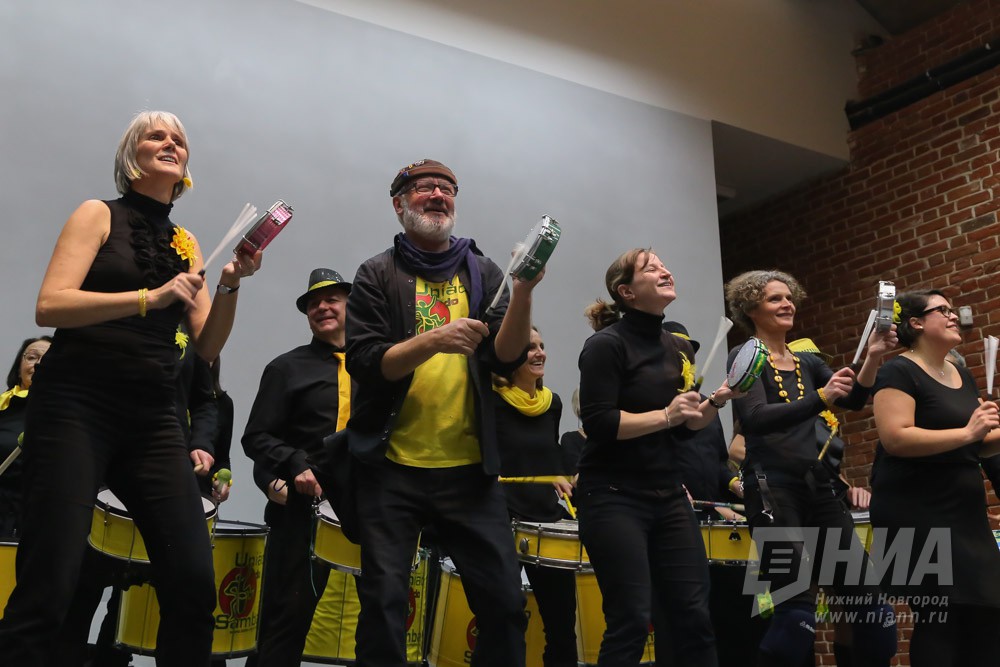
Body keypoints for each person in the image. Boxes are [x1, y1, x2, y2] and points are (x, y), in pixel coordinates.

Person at [0, 110, 261, 667]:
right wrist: (150, 299)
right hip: (76, 404)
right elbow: (51, 305)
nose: (171, 143)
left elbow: (207, 345)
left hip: (154, 418)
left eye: (179, 139)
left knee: (193, 581)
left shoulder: (187, 243)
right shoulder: (97, 214)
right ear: (130, 154)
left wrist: (230, 284)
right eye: (156, 135)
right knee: (51, 577)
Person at [325, 158, 540, 667]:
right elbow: (367, 362)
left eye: (447, 188)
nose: (439, 195)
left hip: (470, 472)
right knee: (384, 608)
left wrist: (524, 290)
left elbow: (506, 357)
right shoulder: (377, 273)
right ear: (399, 204)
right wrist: (435, 339)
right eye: (425, 188)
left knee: (505, 606)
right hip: (391, 469)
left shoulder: (483, 270)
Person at [724, 269, 897, 667]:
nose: (787, 304)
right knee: (797, 613)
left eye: (789, 297)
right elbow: (755, 418)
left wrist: (872, 356)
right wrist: (821, 396)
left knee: (872, 608)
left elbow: (853, 399)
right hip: (772, 489)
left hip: (819, 489)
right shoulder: (745, 356)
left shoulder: (806, 361)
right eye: (775, 299)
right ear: (751, 309)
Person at [576, 248, 739, 667]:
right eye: (650, 268)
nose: (665, 270)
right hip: (612, 496)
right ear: (626, 292)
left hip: (668, 495)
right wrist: (666, 415)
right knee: (631, 619)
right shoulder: (605, 345)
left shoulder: (679, 347)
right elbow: (600, 423)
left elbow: (685, 429)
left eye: (664, 265)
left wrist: (718, 400)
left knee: (694, 616)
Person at [870, 289, 1000, 666]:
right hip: (916, 512)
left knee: (987, 610)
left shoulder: (961, 373)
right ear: (916, 323)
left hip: (964, 513)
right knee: (941, 615)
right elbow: (896, 438)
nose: (953, 315)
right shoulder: (898, 370)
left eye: (952, 309)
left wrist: (980, 434)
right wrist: (969, 432)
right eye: (942, 310)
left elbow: (980, 445)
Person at [242, 267, 353, 666]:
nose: (322, 307)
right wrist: (295, 463)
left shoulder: (377, 366)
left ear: (351, 306)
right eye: (313, 304)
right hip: (302, 513)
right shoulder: (285, 368)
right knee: (285, 621)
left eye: (332, 299)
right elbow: (256, 437)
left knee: (382, 619)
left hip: (370, 509)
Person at [492, 326, 577, 667]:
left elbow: (549, 453)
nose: (540, 353)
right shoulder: (491, 402)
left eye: (542, 346)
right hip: (503, 519)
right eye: (530, 347)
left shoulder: (552, 403)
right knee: (504, 617)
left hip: (545, 518)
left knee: (561, 624)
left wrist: (562, 475)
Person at [0, 336, 52, 539]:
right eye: (32, 357)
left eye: (47, 359)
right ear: (19, 368)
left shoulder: (71, 416)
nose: (38, 363)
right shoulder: (3, 407)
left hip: (43, 519)